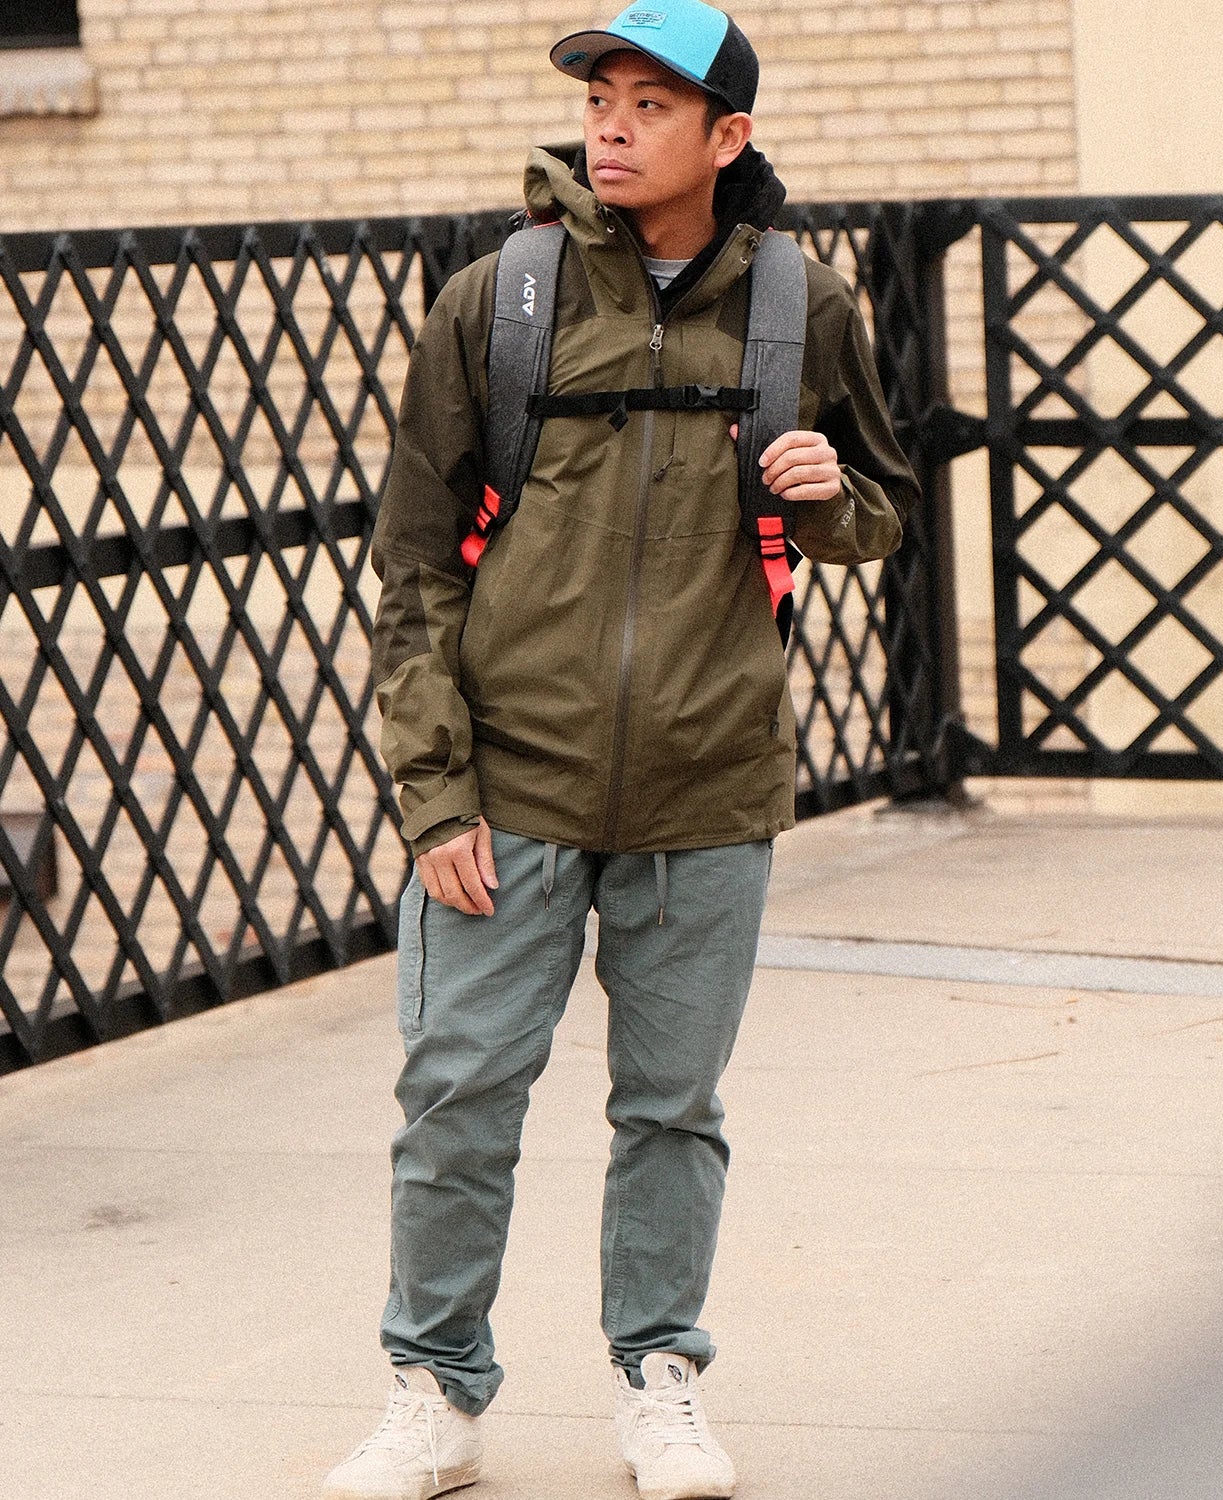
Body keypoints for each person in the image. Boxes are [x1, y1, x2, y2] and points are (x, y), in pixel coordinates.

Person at [323, 2, 917, 1496]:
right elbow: (413, 568)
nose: (609, 123)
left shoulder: (800, 307)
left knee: (671, 1108)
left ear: (729, 137)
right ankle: (436, 1397)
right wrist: (433, 790)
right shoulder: (500, 300)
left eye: (652, 103)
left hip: (708, 789)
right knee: (456, 1094)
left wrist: (825, 490)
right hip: (507, 787)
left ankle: (659, 1379)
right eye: (600, 95)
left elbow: (879, 515)